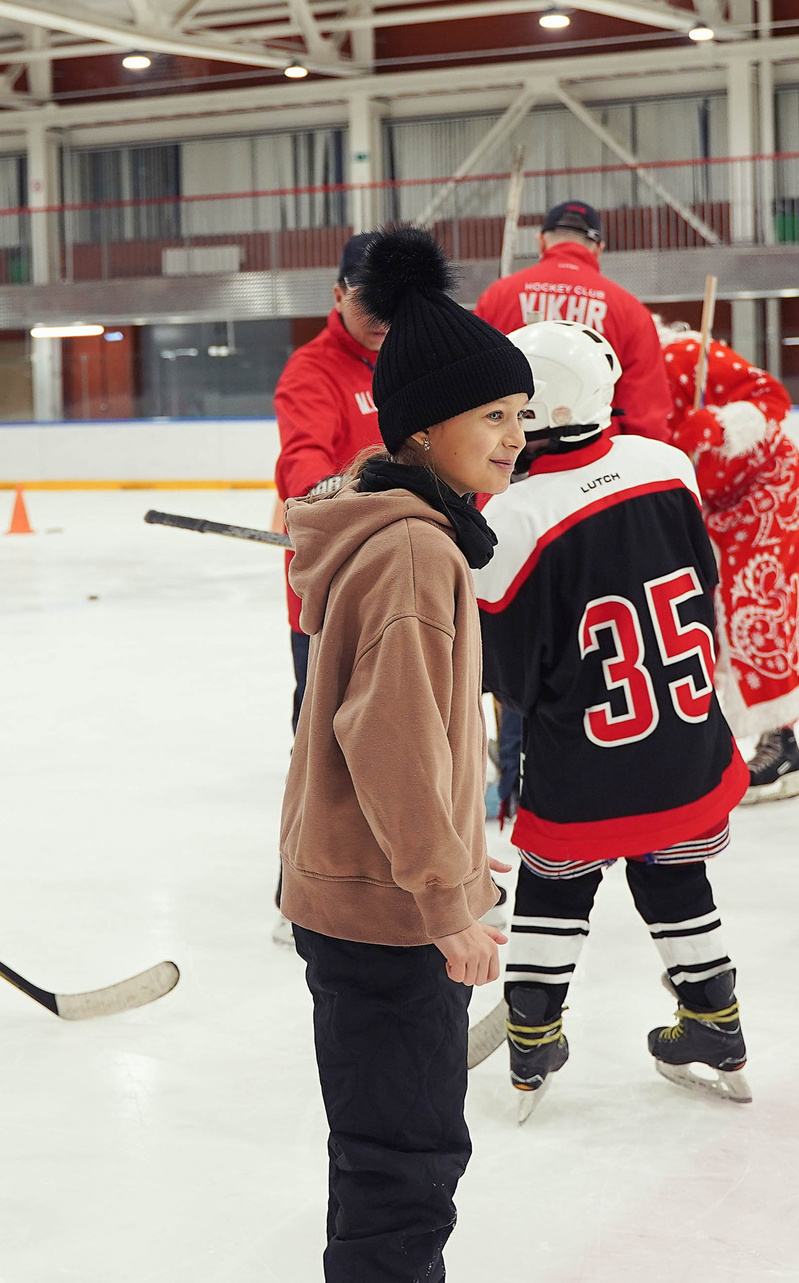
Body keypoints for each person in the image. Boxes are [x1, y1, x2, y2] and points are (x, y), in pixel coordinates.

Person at [280, 225, 528, 1283]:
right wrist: (443, 900)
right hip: (385, 912)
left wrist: (461, 864)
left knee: (387, 1149)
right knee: (406, 1160)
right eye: (492, 416)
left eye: (522, 414)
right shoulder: (418, 549)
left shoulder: (392, 523)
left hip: (356, 893)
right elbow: (388, 741)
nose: (514, 436)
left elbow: (410, 733)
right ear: (424, 427)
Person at [476, 321, 754, 1118]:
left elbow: (512, 674)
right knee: (675, 872)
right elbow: (698, 576)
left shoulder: (514, 518)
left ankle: (532, 1038)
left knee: (553, 889)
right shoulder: (666, 465)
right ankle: (716, 1023)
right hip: (684, 729)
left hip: (588, 751)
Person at [655, 319, 799, 803]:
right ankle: (706, 742)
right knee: (692, 620)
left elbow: (771, 395)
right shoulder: (613, 388)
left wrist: (719, 425)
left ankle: (780, 744)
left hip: (767, 491)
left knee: (758, 613)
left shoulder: (684, 357)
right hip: (704, 503)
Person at [272, 230, 386, 727]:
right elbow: (303, 458)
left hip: (401, 572)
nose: (380, 315)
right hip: (330, 578)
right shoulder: (311, 370)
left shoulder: (411, 362)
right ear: (339, 295)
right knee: (323, 727)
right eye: (366, 300)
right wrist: (329, 497)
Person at [473, 200, 669, 441]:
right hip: (595, 460)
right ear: (598, 249)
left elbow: (472, 384)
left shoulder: (498, 296)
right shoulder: (629, 310)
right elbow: (645, 414)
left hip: (510, 453)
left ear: (541, 241)